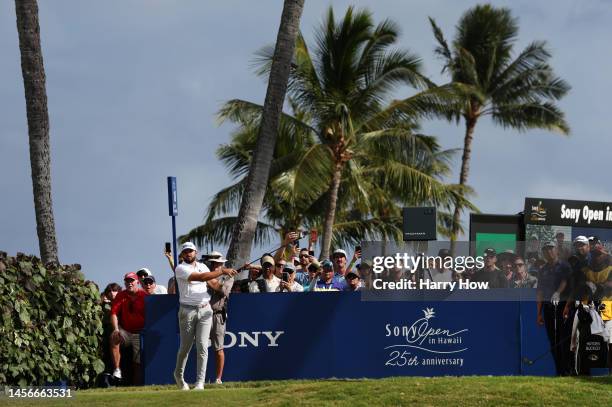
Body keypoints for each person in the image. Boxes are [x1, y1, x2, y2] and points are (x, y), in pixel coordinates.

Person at [173, 242, 236, 390]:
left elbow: (213, 283)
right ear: (182, 255)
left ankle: (200, 382)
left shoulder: (203, 266)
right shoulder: (180, 268)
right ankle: (178, 375)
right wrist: (223, 271)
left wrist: (225, 284)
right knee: (185, 348)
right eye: (185, 252)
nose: (188, 254)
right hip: (187, 311)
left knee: (202, 346)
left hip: (205, 310)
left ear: (196, 252)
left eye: (191, 251)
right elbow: (201, 277)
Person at [536, 241, 571, 375]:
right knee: (553, 340)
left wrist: (558, 292)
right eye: (545, 250)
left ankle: (567, 370)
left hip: (562, 307)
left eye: (551, 249)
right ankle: (559, 371)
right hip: (548, 307)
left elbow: (565, 281)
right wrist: (538, 313)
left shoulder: (564, 265)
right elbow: (539, 291)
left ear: (556, 250)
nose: (548, 251)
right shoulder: (543, 269)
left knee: (563, 340)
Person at [109, 272, 147, 384]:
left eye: (132, 281)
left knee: (137, 364)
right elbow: (113, 313)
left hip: (140, 333)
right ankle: (117, 370)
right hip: (126, 331)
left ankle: (137, 387)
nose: (129, 283)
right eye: (127, 281)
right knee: (114, 337)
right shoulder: (121, 295)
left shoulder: (144, 295)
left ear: (137, 282)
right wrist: (116, 329)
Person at [204, 253, 234, 385]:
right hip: (203, 314)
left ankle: (218, 379)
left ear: (222, 264)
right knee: (201, 347)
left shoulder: (228, 276)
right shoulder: (204, 275)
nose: (215, 265)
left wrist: (211, 281)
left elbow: (222, 290)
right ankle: (201, 378)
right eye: (213, 263)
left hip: (217, 314)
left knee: (218, 348)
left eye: (217, 263)